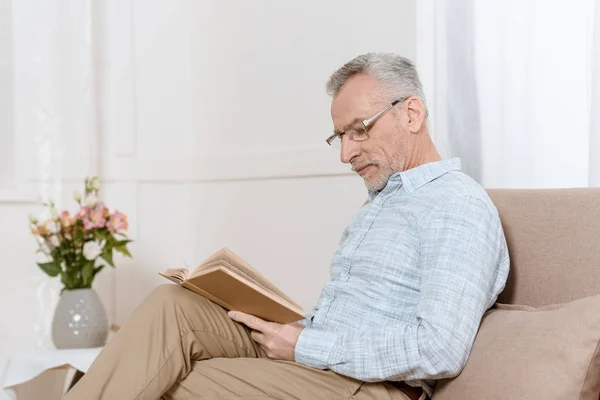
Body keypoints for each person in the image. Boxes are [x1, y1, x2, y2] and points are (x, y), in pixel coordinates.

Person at [64, 53, 509, 400]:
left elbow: (439, 348)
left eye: (360, 130)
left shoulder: (456, 205)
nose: (345, 154)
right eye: (340, 136)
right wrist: (287, 327)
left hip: (371, 387)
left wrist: (304, 348)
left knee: (175, 378)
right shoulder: (381, 203)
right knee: (173, 303)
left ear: (411, 114)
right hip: (318, 358)